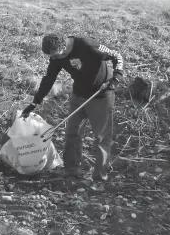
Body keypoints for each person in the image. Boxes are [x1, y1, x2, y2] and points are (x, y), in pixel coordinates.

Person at [21, 33, 123, 189]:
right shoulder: (57, 57)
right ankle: (71, 170)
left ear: (63, 47)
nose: (53, 59)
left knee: (102, 138)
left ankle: (99, 180)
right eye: (51, 57)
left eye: (55, 56)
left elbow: (116, 55)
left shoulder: (87, 45)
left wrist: (116, 77)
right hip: (78, 95)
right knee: (72, 133)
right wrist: (35, 103)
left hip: (101, 95)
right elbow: (49, 79)